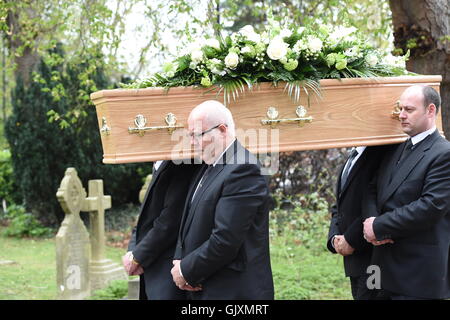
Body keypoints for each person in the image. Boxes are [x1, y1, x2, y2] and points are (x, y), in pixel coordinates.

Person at [170, 100, 274, 300]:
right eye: (189, 135)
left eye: (197, 135)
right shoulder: (208, 166)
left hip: (233, 291)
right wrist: (180, 261)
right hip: (205, 284)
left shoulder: (243, 169)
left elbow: (225, 239)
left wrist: (186, 270)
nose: (192, 142)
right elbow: (189, 222)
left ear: (222, 130)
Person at [363, 85, 450, 300]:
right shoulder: (399, 147)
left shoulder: (443, 154)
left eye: (409, 110)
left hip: (418, 272)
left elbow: (431, 207)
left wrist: (379, 226)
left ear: (431, 110)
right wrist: (372, 222)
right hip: (383, 268)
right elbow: (374, 188)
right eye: (400, 109)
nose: (401, 115)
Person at [123, 160, 201, 300]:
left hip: (166, 271)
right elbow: (145, 218)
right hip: (151, 268)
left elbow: (169, 222)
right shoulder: (159, 163)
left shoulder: (181, 164)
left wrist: (138, 256)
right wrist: (132, 251)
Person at [327, 144, 392, 300]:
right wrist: (334, 237)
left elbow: (375, 204)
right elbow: (340, 205)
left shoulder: (380, 154)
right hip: (353, 260)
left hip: (373, 258)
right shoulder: (353, 155)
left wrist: (350, 239)